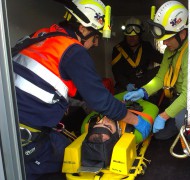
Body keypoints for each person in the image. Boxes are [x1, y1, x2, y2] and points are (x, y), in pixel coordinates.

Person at [12, 0, 151, 179]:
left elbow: (36, 79)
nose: (95, 44)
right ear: (83, 29)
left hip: (11, 119)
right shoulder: (72, 50)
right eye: (95, 37)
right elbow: (101, 101)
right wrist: (135, 120)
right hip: (23, 135)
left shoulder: (42, 35)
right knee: (67, 160)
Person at [123, 1, 190, 140]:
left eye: (167, 39)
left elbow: (188, 95)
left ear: (183, 33)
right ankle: (180, 126)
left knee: (183, 121)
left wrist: (164, 116)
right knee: (160, 136)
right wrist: (143, 91)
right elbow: (160, 78)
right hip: (178, 99)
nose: (164, 43)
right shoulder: (171, 49)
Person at [111, 17, 163, 93]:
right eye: (129, 36)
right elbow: (117, 72)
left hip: (142, 83)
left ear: (140, 36)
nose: (132, 38)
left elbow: (160, 58)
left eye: (135, 36)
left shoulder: (146, 46)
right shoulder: (118, 49)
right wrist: (126, 84)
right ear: (125, 36)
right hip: (124, 85)